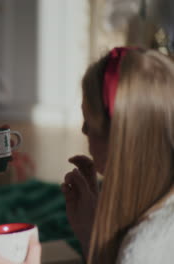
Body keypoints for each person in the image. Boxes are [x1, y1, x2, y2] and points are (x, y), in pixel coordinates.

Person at [62, 47, 174, 263]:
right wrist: (92, 234)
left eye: (89, 123)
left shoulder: (143, 250)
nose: (83, 131)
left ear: (121, 141)